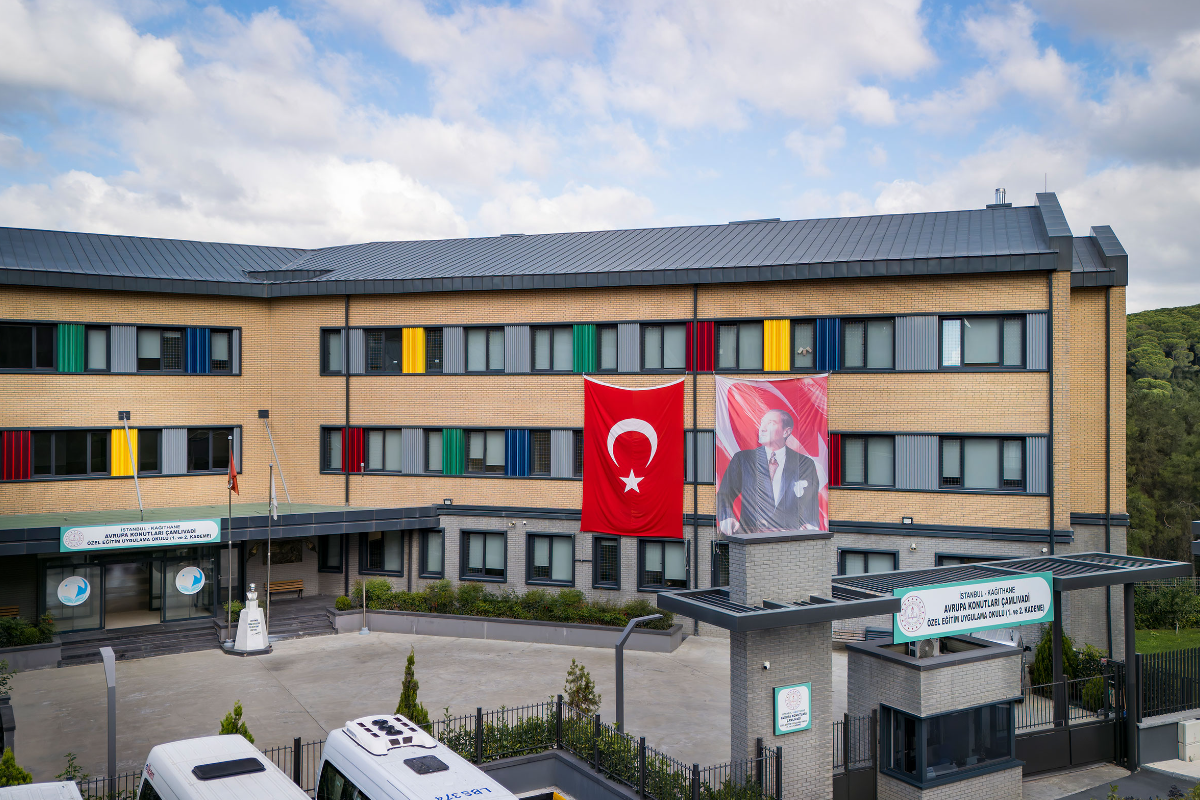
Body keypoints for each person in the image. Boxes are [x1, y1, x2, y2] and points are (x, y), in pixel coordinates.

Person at [716, 409, 820, 534]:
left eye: (770, 423)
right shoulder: (743, 459)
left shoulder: (804, 464)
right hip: (751, 536)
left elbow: (810, 502)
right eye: (762, 423)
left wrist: (810, 524)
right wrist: (726, 517)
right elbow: (724, 494)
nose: (762, 428)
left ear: (786, 432)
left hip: (788, 537)